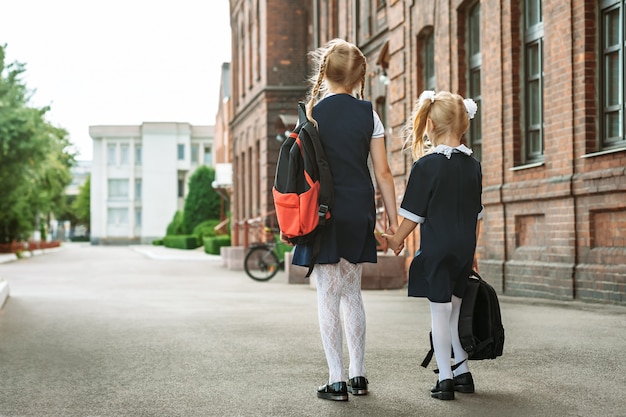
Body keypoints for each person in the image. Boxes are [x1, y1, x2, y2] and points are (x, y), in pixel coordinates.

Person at [288, 38, 399, 402]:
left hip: (323, 212)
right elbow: (383, 172)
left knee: (327, 296)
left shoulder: (313, 113)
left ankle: (335, 379)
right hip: (359, 210)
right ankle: (359, 375)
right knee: (353, 293)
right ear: (359, 76)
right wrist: (394, 223)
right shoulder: (370, 113)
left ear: (325, 72)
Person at [383, 90, 483, 401]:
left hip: (438, 250)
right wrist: (474, 254)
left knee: (440, 315)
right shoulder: (473, 166)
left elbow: (413, 214)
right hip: (464, 249)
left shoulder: (425, 166)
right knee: (454, 312)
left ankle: (446, 381)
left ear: (430, 125)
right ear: (463, 126)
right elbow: (476, 215)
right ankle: (463, 374)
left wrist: (396, 239)